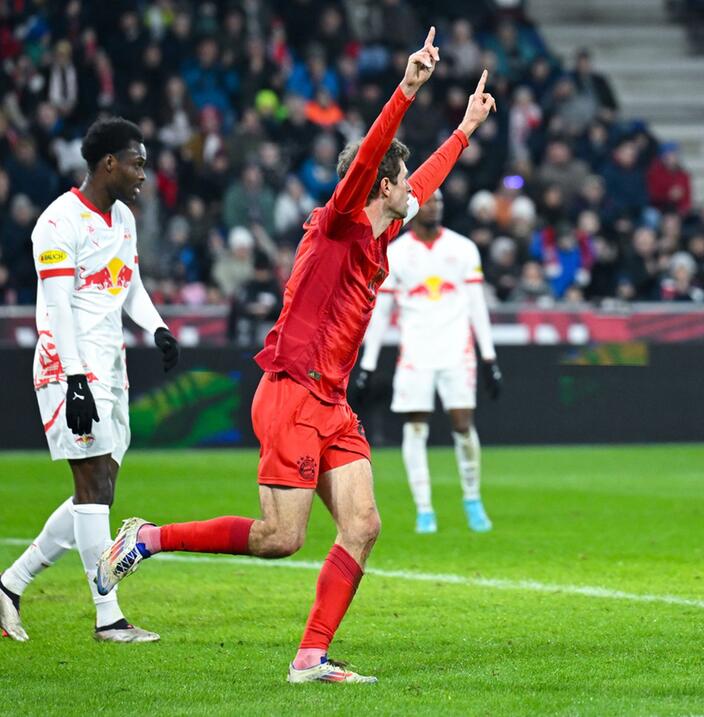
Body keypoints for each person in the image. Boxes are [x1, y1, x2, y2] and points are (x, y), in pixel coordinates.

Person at [96, 29, 496, 685]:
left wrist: (465, 129)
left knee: (362, 525)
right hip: (290, 392)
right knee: (281, 537)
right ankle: (147, 536)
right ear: (381, 184)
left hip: (332, 402)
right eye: (399, 180)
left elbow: (420, 177)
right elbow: (371, 160)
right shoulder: (340, 220)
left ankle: (310, 655)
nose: (411, 191)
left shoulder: (383, 225)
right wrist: (406, 90)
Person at [0, 118, 179, 643]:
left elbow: (131, 286)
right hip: (67, 366)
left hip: (111, 366)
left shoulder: (123, 218)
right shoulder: (57, 223)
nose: (143, 174)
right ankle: (109, 617)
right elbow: (55, 310)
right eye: (137, 163)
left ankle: (10, 585)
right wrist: (75, 381)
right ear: (109, 164)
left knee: (96, 491)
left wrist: (160, 327)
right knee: (93, 487)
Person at [355, 190, 501, 534]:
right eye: (430, 201)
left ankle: (472, 499)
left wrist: (489, 358)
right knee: (416, 427)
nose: (435, 206)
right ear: (414, 207)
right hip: (416, 354)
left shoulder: (463, 249)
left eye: (439, 201)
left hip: (457, 351)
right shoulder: (397, 253)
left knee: (463, 425)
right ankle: (424, 509)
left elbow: (477, 306)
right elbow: (382, 313)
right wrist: (368, 363)